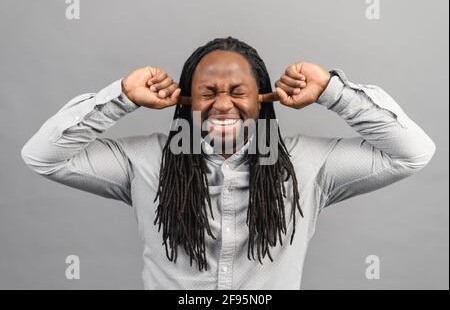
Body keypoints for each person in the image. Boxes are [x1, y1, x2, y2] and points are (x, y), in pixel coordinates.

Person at [21, 37, 435, 289]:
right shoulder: (144, 160)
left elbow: (412, 151)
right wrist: (122, 97)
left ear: (263, 100)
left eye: (238, 92)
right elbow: (42, 156)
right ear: (186, 99)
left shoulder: (306, 164)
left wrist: (333, 91)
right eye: (207, 92)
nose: (222, 105)